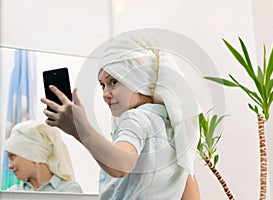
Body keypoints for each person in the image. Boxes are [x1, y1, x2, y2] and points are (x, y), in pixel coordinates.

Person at [41, 32, 201, 199]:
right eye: (102, 85)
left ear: (138, 80)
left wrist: (80, 129)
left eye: (113, 82)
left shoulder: (136, 118)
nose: (106, 93)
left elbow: (121, 166)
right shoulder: (172, 125)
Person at [4, 120, 83, 193]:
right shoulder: (13, 193)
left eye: (12, 157)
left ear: (32, 154)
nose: (9, 166)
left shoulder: (70, 191)